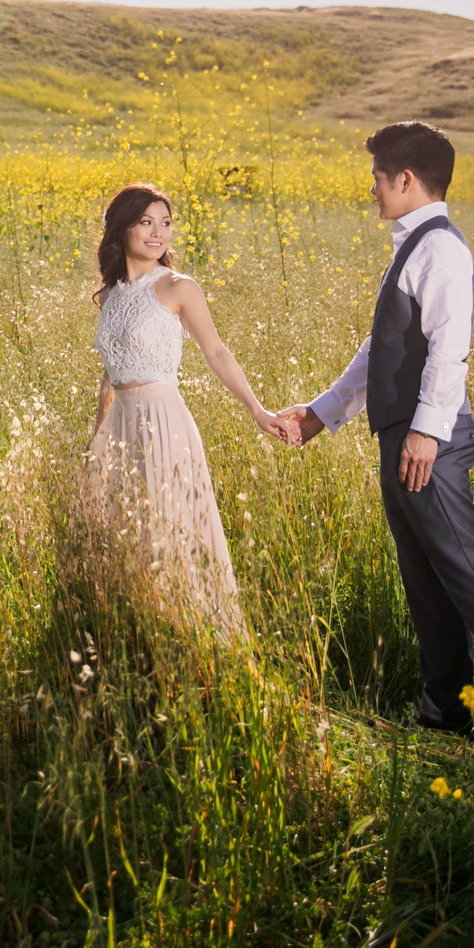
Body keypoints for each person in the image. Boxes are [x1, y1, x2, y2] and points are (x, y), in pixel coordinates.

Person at [279, 122, 474, 751]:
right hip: (403, 440)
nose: (372, 190)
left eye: (378, 179)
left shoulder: (440, 249)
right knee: (427, 582)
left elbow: (449, 349)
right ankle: (445, 715)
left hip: (424, 443)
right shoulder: (411, 245)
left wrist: (426, 434)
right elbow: (381, 351)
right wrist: (320, 415)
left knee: (469, 572)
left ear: (406, 180)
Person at [77, 182, 292, 641]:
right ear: (122, 230)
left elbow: (216, 351)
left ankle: (199, 640)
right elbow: (109, 374)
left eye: (166, 223)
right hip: (120, 427)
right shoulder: (112, 294)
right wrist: (96, 441)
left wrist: (258, 410)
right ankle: (142, 641)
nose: (158, 234)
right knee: (127, 537)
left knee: (170, 530)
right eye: (146, 223)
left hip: (161, 422)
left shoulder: (178, 287)